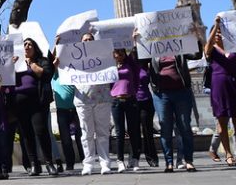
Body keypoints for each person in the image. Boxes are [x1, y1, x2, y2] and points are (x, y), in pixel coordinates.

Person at [142, 29, 201, 173]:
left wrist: (196, 37)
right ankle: (169, 162)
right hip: (161, 95)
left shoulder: (178, 48)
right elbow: (140, 61)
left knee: (185, 127)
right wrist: (135, 42)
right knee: (165, 128)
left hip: (182, 93)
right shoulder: (152, 51)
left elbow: (196, 54)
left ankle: (188, 160)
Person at [65, 33, 113, 176]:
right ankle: (88, 164)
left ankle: (105, 163)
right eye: (85, 40)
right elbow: (64, 70)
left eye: (90, 39)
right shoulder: (74, 57)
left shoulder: (104, 55)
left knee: (103, 133)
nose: (87, 41)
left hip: (102, 98)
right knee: (86, 134)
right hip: (82, 99)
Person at [204, 16, 236, 166]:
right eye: (216, 33)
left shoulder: (235, 48)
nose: (218, 34)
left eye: (221, 32)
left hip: (234, 85)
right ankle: (228, 154)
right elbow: (207, 45)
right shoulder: (211, 50)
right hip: (219, 87)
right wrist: (216, 25)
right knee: (222, 122)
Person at [13, 38, 57, 176]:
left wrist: (31, 63)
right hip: (19, 103)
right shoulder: (15, 62)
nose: (26, 46)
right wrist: (11, 65)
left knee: (41, 131)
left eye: (30, 44)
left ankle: (49, 163)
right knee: (26, 134)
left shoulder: (42, 61)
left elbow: (45, 74)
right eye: (24, 44)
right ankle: (34, 164)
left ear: (34, 48)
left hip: (37, 102)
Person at [111, 48, 142, 172]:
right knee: (119, 132)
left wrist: (132, 40)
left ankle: (134, 158)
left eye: (121, 52)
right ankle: (120, 160)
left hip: (130, 99)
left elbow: (137, 76)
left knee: (133, 130)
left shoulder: (130, 64)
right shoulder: (109, 67)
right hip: (116, 101)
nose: (119, 54)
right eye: (116, 52)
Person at [135, 57, 159, 167]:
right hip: (132, 101)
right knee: (133, 131)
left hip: (146, 100)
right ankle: (134, 157)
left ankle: (151, 157)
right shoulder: (129, 65)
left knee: (147, 130)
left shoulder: (147, 65)